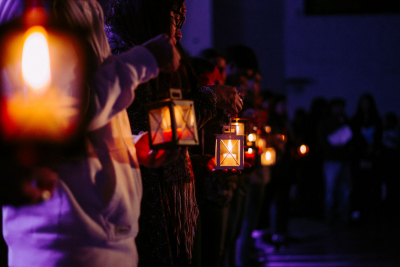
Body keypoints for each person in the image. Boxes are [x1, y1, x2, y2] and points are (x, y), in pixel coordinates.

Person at [2, 0, 181, 266]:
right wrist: (145, 59)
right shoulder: (38, 7)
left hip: (97, 234)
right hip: (68, 240)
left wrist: (128, 145)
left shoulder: (83, 5)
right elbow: (59, 113)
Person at [105, 1, 243, 266]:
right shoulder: (121, 61)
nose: (179, 32)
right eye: (175, 18)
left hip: (175, 206)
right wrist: (210, 98)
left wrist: (203, 163)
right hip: (144, 212)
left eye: (182, 21)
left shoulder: (156, 63)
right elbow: (149, 134)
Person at [318, 98, 353, 226]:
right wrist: (333, 146)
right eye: (336, 107)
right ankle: (329, 217)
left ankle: (344, 216)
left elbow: (352, 138)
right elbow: (322, 140)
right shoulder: (326, 122)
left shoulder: (346, 121)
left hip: (344, 159)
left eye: (341, 107)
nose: (339, 110)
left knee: (345, 189)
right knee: (330, 190)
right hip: (331, 160)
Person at [350, 93, 382, 224]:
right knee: (359, 184)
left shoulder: (376, 120)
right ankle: (359, 211)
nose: (365, 105)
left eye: (367, 102)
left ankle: (372, 211)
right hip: (359, 156)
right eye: (363, 102)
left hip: (373, 156)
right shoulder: (356, 120)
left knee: (373, 183)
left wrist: (373, 149)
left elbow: (379, 136)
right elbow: (354, 138)